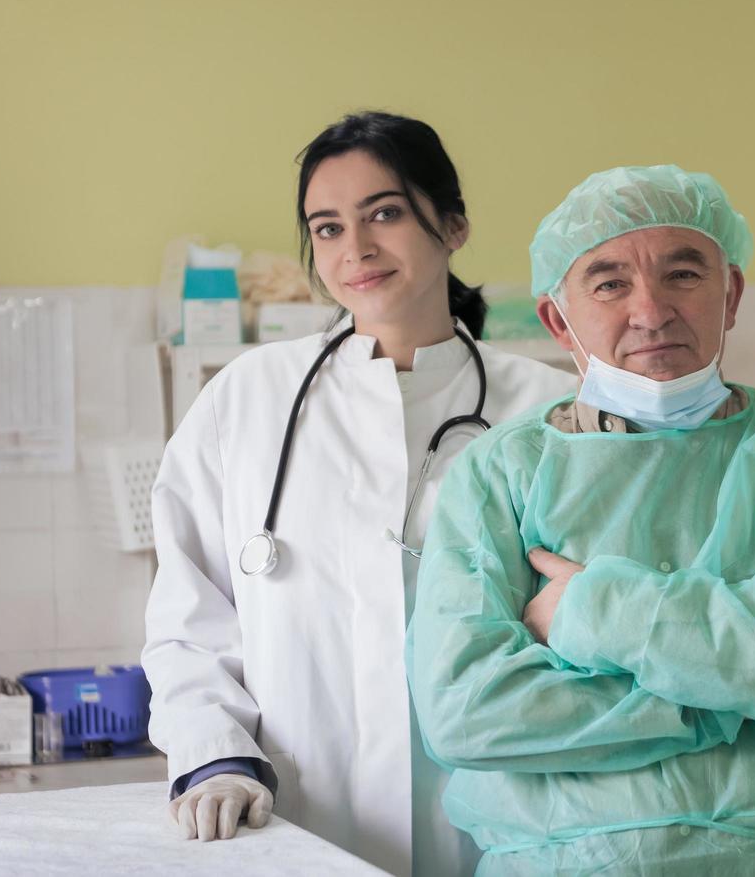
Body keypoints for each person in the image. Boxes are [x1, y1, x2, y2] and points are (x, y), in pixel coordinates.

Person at [406, 165, 755, 875]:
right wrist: (723, 702)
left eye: (683, 275)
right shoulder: (498, 473)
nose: (652, 310)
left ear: (729, 295)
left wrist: (591, 609)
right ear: (558, 318)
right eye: (609, 283)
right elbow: (466, 709)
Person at [141, 111, 576, 875]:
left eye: (385, 213)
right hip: (299, 826)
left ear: (453, 224)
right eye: (329, 227)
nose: (357, 249)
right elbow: (189, 617)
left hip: (503, 829)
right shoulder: (245, 402)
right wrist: (214, 755)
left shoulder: (546, 412)